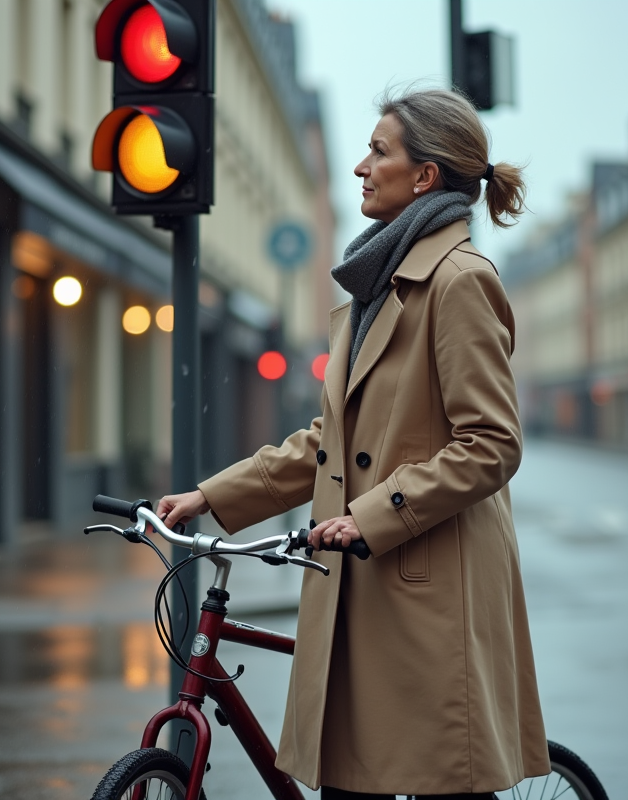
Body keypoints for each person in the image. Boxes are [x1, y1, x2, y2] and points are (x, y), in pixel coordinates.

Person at [158, 86, 549, 799]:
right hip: (358, 588)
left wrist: (370, 514)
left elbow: (491, 444)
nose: (361, 167)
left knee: (443, 787)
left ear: (425, 176)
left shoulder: (458, 282)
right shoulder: (373, 288)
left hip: (427, 592)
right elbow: (331, 443)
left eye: (379, 151)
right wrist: (213, 495)